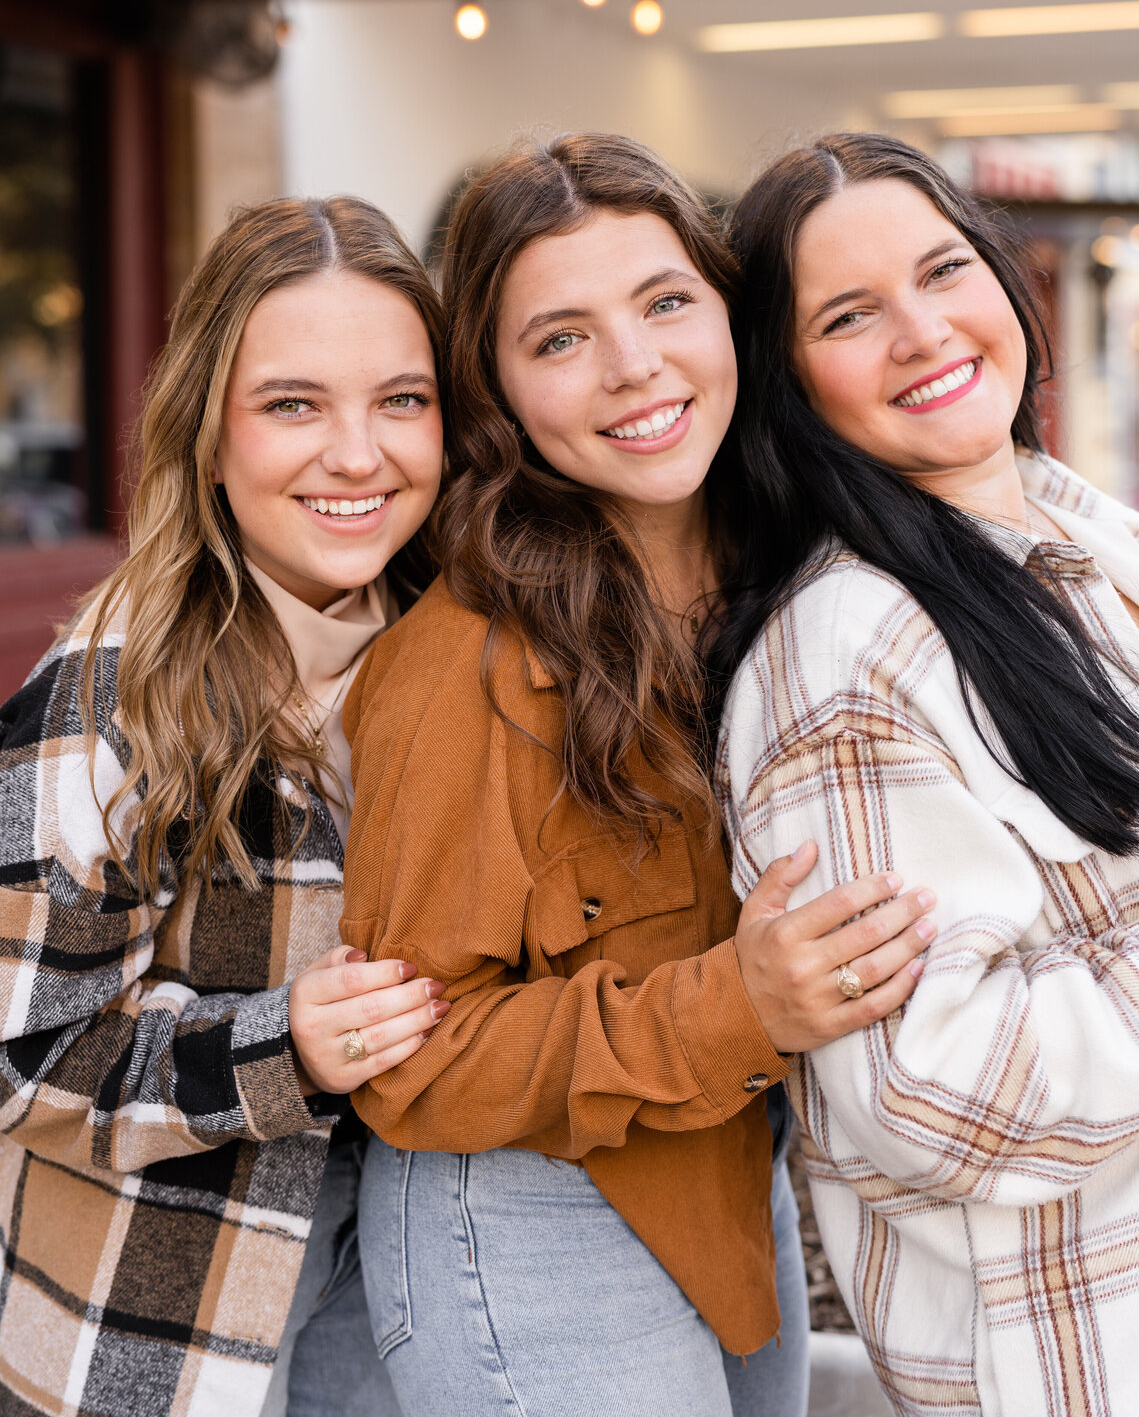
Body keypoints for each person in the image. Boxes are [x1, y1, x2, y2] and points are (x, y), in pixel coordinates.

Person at [340, 133, 937, 1417]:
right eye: (559, 338)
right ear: (493, 393)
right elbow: (411, 1060)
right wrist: (738, 1006)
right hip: (522, 1209)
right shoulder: (470, 664)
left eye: (666, 302)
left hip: (725, 1175)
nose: (634, 366)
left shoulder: (804, 574)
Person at [715, 132, 1139, 1417]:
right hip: (1119, 1354)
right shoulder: (844, 657)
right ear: (788, 379)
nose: (924, 332)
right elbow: (945, 1087)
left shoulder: (1116, 543)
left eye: (944, 270)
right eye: (850, 315)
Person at [0, 196, 450, 1417]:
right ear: (208, 434)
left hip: (400, 1298)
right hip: (163, 1337)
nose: (358, 455)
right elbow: (22, 1064)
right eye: (293, 404)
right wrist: (279, 1046)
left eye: (401, 400)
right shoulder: (106, 698)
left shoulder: (463, 651)